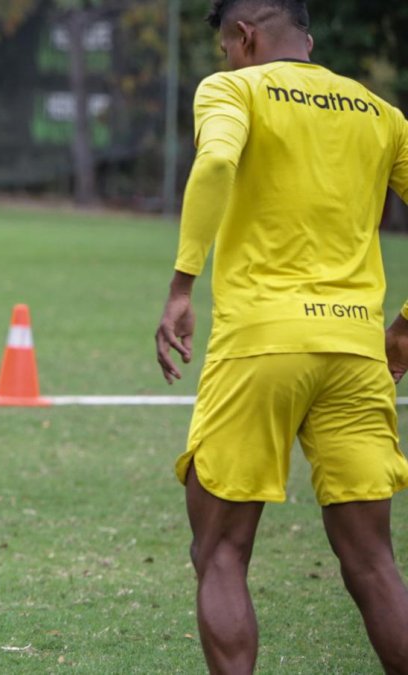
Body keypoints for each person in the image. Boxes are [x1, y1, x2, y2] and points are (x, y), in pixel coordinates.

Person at [154, 1, 408, 672]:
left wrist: (182, 286)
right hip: (357, 351)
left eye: (223, 48)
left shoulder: (233, 88)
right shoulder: (381, 114)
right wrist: (406, 329)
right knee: (374, 562)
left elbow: (214, 166)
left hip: (262, 342)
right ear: (308, 39)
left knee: (221, 550)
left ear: (242, 36)